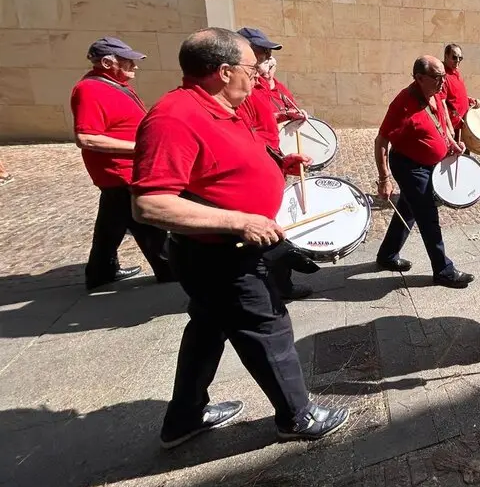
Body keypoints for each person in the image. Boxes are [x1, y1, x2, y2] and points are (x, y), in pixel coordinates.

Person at [131, 28, 348, 448]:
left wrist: (280, 165)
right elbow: (150, 205)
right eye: (250, 69)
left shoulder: (224, 107)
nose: (256, 77)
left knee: (208, 329)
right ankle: (297, 417)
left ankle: (184, 418)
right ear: (224, 70)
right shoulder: (174, 118)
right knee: (267, 327)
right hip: (220, 255)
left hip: (225, 251)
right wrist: (240, 222)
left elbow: (225, 165)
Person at [70, 37, 174, 290]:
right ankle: (170, 269)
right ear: (107, 62)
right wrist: (140, 148)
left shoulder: (114, 84)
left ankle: (101, 271)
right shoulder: (90, 90)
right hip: (121, 173)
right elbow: (86, 137)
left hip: (126, 172)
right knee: (148, 221)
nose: (135, 66)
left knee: (112, 224)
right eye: (129, 61)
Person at [374, 56, 474, 288]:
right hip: (410, 167)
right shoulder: (402, 104)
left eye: (443, 77)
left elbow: (442, 121)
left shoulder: (435, 93)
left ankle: (387, 254)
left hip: (428, 164)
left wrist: (451, 142)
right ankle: (443, 271)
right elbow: (381, 141)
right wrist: (384, 178)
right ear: (419, 78)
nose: (443, 83)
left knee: (408, 209)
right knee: (428, 216)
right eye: (437, 78)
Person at [237, 27, 311, 302]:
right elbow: (248, 133)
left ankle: (280, 283)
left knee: (276, 223)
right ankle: (273, 287)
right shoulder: (243, 91)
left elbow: (274, 116)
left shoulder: (271, 84)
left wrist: (290, 112)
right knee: (267, 229)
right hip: (260, 167)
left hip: (274, 162)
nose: (267, 58)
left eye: (268, 53)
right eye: (261, 53)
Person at [236, 27, 306, 152]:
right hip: (260, 154)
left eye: (269, 50)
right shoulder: (239, 89)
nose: (268, 55)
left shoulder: (262, 83)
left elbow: (264, 118)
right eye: (262, 50)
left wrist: (285, 115)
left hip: (275, 152)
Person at [440, 43, 480, 140]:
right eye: (454, 57)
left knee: (464, 154)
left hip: (463, 123)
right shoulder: (442, 76)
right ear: (446, 56)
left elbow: (456, 95)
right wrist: (449, 127)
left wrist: (471, 100)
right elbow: (442, 104)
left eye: (460, 58)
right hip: (452, 127)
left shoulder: (455, 72)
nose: (458, 61)